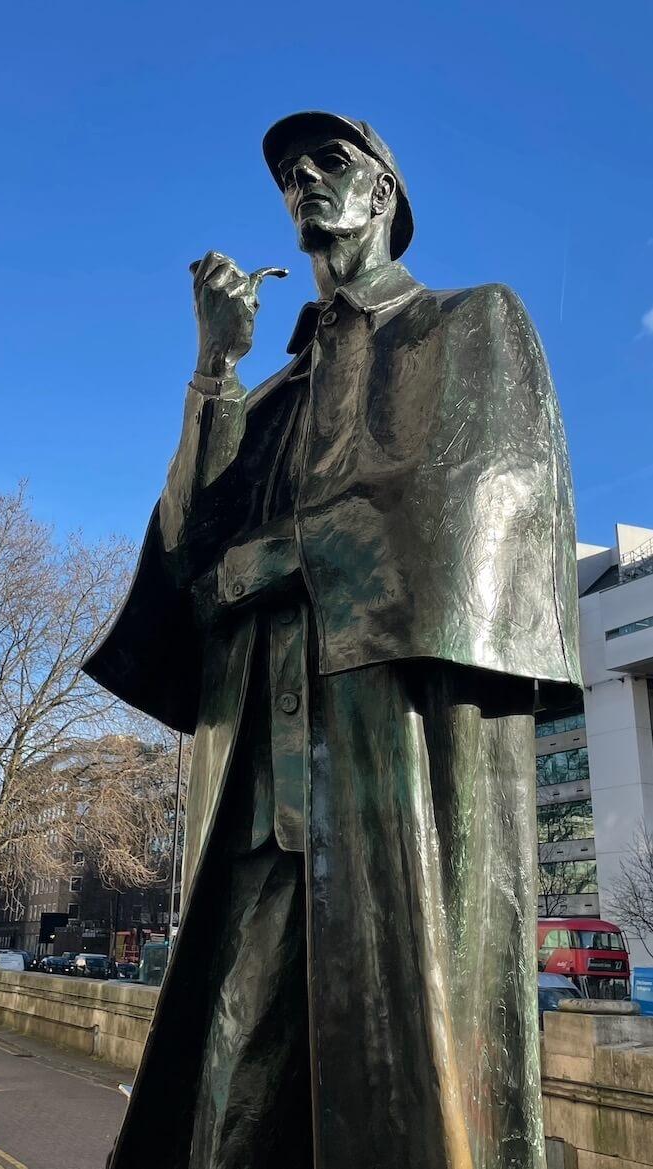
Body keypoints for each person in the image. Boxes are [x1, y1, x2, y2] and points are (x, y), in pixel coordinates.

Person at [85, 111, 581, 1169]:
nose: (305, 180)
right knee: (232, 1078)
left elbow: (469, 504)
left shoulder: (469, 323)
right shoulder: (264, 399)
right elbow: (185, 547)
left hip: (384, 763)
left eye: (330, 163)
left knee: (409, 1076)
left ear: (383, 195)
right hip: (262, 784)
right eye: (288, 174)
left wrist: (269, 561)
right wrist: (215, 370)